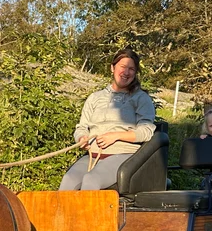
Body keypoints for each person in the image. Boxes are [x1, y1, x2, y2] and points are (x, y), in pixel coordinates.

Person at [59, 48, 156, 191]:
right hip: (92, 155)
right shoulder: (95, 97)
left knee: (91, 180)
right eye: (123, 67)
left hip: (124, 155)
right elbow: (81, 128)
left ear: (135, 73)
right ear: (112, 68)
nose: (126, 72)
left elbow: (146, 132)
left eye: (131, 69)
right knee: (68, 180)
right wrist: (81, 138)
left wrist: (116, 136)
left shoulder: (141, 98)